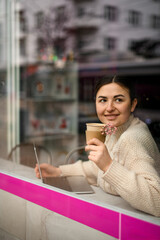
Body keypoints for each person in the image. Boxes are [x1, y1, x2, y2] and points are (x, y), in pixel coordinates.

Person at [35, 75, 160, 217]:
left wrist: (108, 165)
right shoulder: (115, 129)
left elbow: (157, 201)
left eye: (118, 100)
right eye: (103, 100)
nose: (109, 108)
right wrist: (58, 172)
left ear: (133, 104)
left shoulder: (131, 139)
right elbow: (96, 169)